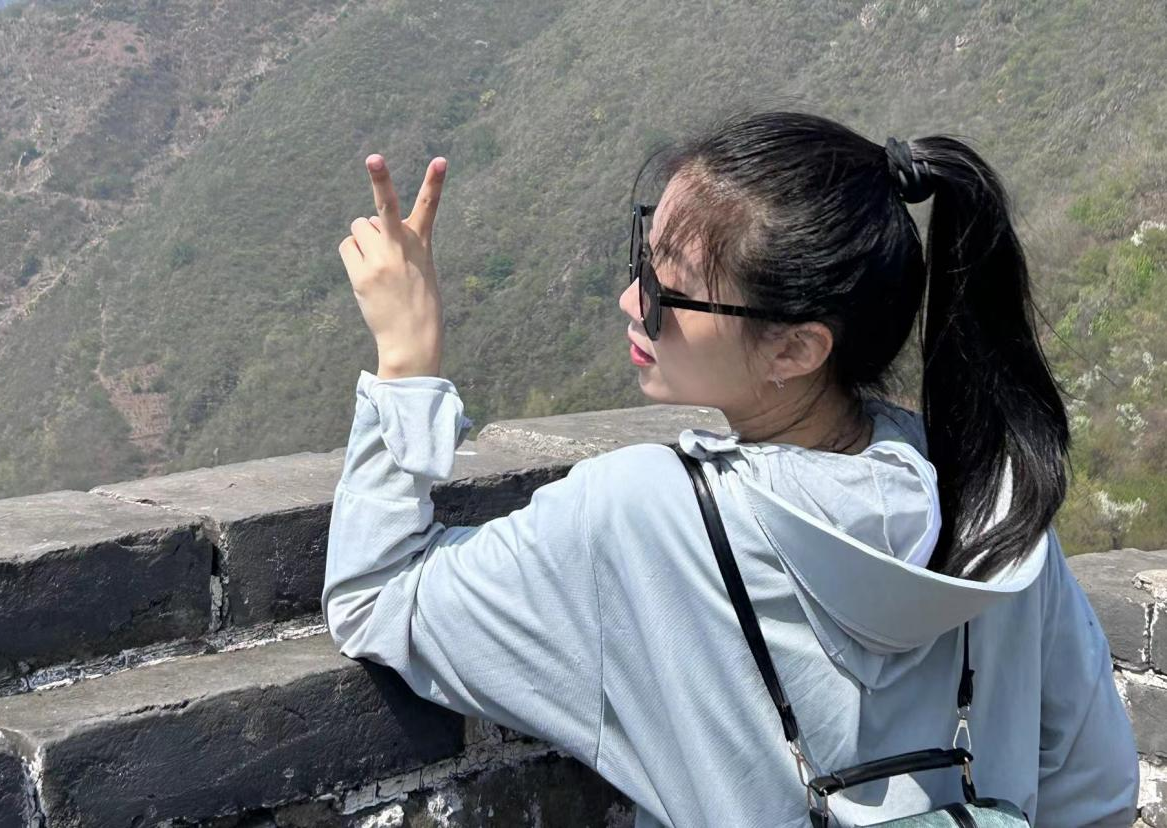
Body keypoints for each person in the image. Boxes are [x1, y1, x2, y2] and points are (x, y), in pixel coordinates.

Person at [322, 109, 1139, 826]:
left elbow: (376, 599)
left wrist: (407, 361)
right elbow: (1094, 791)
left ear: (796, 349)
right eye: (641, 258)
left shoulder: (644, 515)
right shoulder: (999, 508)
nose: (631, 300)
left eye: (664, 289)